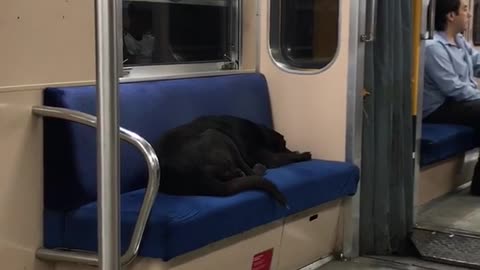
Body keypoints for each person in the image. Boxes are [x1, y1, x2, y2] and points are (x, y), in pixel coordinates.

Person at [423, 0, 480, 195]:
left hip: (457, 103)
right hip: (438, 108)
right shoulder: (433, 48)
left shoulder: (460, 42)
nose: (469, 15)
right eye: (465, 9)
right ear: (451, 15)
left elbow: (476, 62)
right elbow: (454, 88)